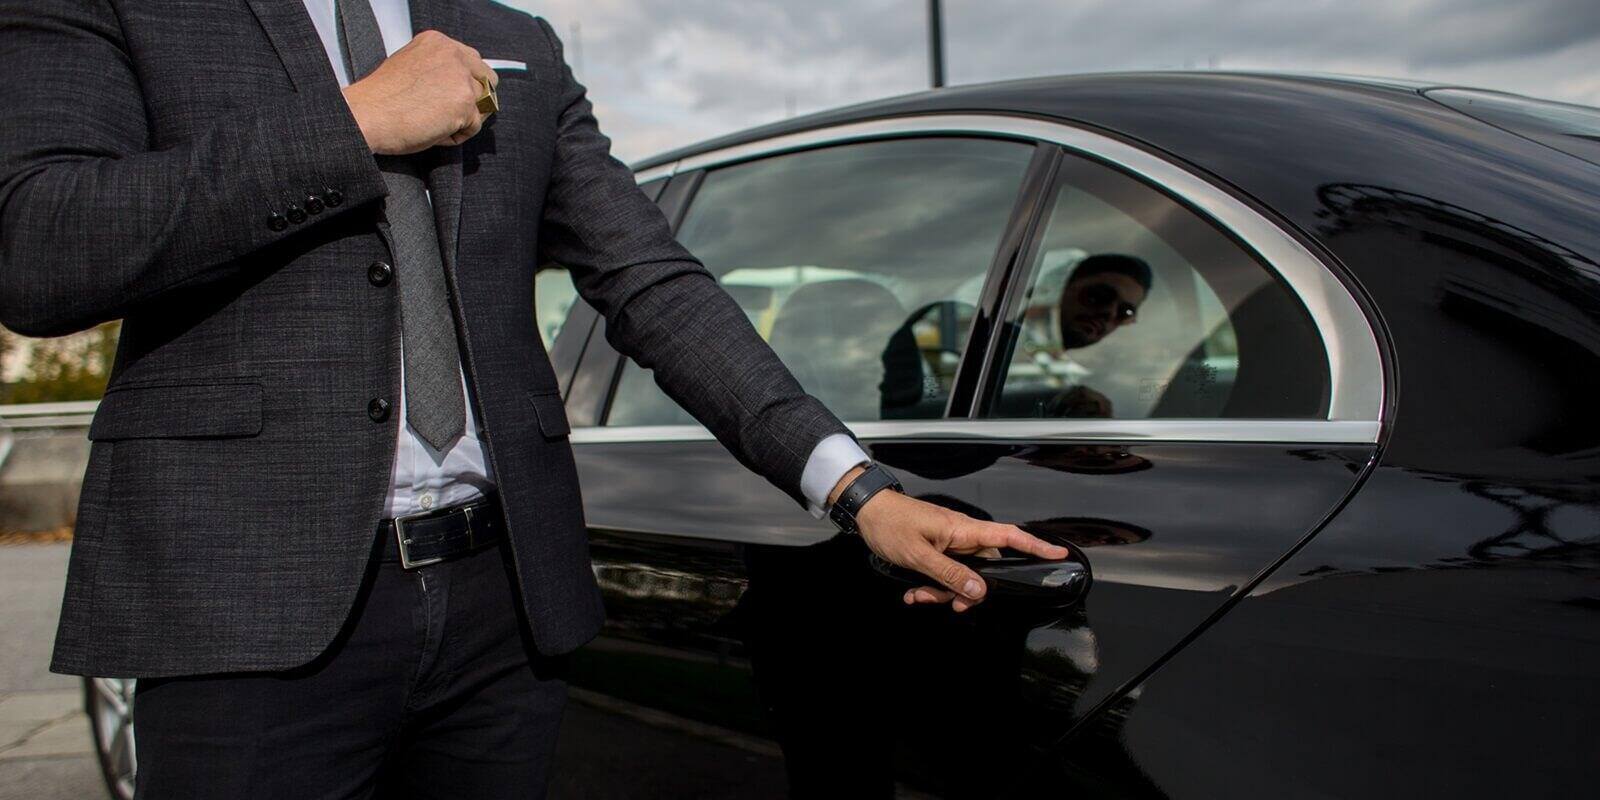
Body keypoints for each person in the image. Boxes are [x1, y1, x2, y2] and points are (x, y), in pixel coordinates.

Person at [0, 1, 1069, 796]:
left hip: (498, 615)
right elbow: (40, 246)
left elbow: (651, 280)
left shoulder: (514, 40)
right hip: (243, 615)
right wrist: (350, 123)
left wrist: (854, 486)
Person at [1043, 253, 1153, 418]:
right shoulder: (1002, 345)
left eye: (1125, 312)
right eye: (1100, 295)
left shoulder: (1109, 380)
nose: (1109, 313)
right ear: (1061, 289)